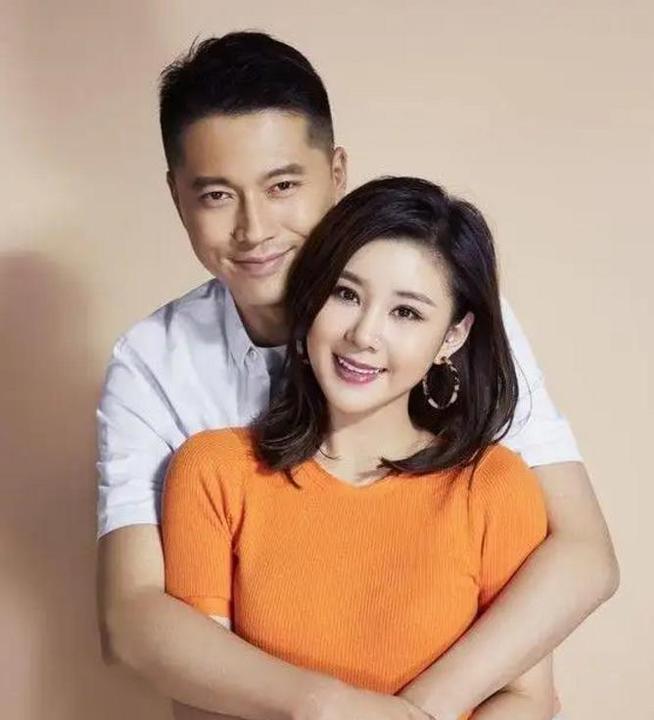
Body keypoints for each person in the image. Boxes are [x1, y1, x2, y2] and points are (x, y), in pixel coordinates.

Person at [96, 32, 618, 719]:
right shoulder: (157, 372)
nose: (255, 229)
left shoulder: (444, 308)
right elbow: (136, 617)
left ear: (337, 173)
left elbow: (581, 555)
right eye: (217, 195)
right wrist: (332, 710)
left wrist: (422, 710)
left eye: (283, 186)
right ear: (177, 197)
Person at [162, 176, 554, 720]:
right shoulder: (214, 471)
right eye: (346, 294)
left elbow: (528, 698)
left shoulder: (492, 486)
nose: (363, 335)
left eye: (406, 312)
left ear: (452, 336)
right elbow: (197, 700)